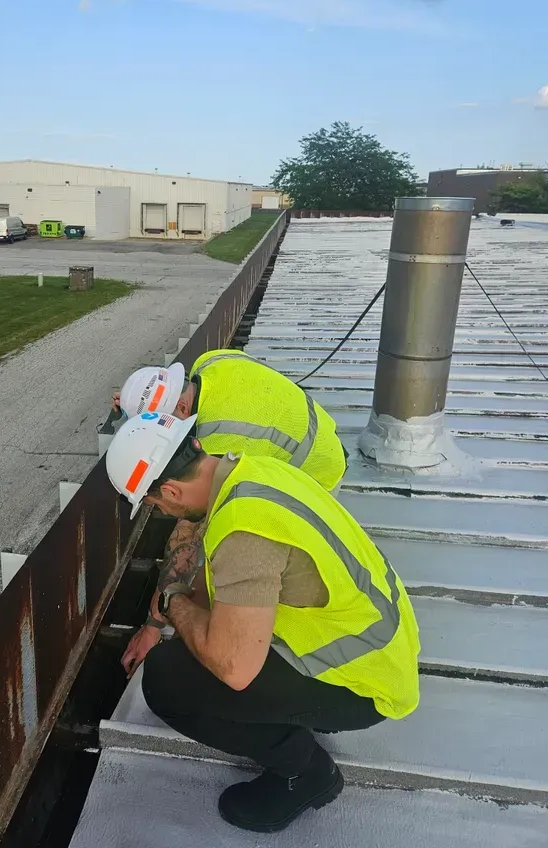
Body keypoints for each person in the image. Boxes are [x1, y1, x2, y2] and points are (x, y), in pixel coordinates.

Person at [106, 412, 420, 834]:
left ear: (170, 490)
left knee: (166, 678)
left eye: (155, 504)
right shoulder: (248, 472)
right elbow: (213, 576)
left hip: (364, 683)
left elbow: (235, 668)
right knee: (197, 643)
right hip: (377, 648)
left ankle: (306, 772)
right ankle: (302, 720)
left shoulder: (245, 533)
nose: (161, 512)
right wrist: (158, 620)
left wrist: (171, 602)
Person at [114, 349, 349, 676]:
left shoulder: (221, 438)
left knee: (241, 564)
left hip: (316, 472)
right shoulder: (206, 364)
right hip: (318, 432)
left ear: (182, 406)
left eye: (164, 425)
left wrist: (154, 625)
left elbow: (189, 538)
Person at [114, 349, 347, 492]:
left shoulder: (216, 440)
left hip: (319, 470)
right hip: (323, 426)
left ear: (183, 406)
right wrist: (130, 402)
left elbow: (211, 500)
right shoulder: (210, 361)